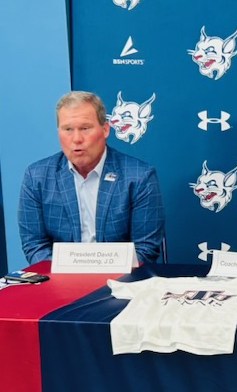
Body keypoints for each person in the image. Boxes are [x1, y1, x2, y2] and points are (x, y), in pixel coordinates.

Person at [18, 91, 165, 265]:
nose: (77, 139)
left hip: (121, 281)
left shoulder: (139, 176)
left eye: (85, 128)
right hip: (60, 282)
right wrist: (63, 277)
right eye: (68, 129)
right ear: (58, 132)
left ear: (105, 130)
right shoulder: (36, 176)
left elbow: (145, 248)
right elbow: (35, 244)